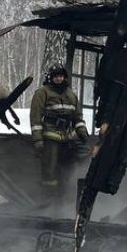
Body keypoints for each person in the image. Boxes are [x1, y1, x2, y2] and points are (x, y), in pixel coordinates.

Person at [30, 61, 89, 198]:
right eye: (56, 76)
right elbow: (35, 117)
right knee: (50, 169)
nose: (59, 78)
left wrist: (82, 132)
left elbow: (78, 117)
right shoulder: (42, 93)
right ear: (50, 77)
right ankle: (49, 197)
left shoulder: (71, 95)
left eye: (61, 76)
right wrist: (38, 139)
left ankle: (64, 196)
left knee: (68, 168)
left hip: (69, 138)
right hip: (50, 136)